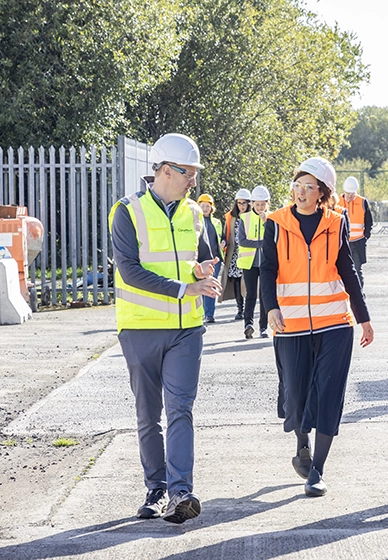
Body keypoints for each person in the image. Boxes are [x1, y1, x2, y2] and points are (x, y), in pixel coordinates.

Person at [109, 133, 221, 523]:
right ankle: (155, 489)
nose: (194, 181)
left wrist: (204, 272)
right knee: (147, 414)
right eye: (189, 173)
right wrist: (184, 287)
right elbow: (129, 270)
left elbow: (204, 258)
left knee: (180, 410)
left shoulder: (195, 213)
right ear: (167, 171)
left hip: (186, 328)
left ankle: (180, 493)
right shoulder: (127, 211)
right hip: (140, 329)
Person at [261, 156, 374, 497]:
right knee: (295, 397)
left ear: (323, 193)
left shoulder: (335, 222)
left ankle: (318, 470)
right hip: (291, 325)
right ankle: (301, 444)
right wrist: (270, 308)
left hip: (335, 325)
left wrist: (364, 316)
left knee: (328, 394)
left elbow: (347, 269)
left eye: (310, 187)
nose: (301, 192)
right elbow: (267, 269)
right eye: (298, 185)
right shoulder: (275, 222)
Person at [237, 185, 270, 339]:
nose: (260, 207)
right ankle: (248, 325)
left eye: (263, 204)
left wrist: (265, 223)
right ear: (253, 204)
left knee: (264, 295)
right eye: (257, 204)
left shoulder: (271, 219)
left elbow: (274, 240)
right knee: (250, 295)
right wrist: (260, 243)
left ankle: (264, 327)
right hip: (249, 262)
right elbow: (242, 241)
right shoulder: (244, 218)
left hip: (266, 262)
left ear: (267, 204)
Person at [219, 189, 251, 321]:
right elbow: (225, 233)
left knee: (247, 281)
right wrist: (223, 242)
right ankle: (240, 309)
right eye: (239, 203)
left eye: (244, 203)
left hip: (248, 253)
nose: (241, 206)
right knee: (237, 281)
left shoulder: (252, 217)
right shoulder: (230, 217)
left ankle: (249, 308)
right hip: (234, 253)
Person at [342, 176, 373, 287]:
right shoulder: (337, 202)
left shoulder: (362, 202)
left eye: (352, 193)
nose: (350, 196)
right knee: (341, 270)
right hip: (342, 243)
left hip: (358, 242)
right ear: (344, 191)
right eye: (348, 193)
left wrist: (365, 236)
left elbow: (369, 221)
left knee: (357, 270)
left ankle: (359, 294)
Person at [197, 193, 223, 324]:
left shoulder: (217, 222)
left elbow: (221, 237)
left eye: (207, 206)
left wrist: (223, 244)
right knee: (201, 286)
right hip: (201, 259)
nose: (205, 208)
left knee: (211, 286)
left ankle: (209, 314)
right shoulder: (195, 221)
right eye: (202, 206)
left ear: (211, 208)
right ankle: (201, 313)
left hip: (215, 259)